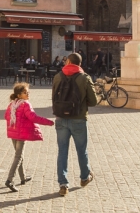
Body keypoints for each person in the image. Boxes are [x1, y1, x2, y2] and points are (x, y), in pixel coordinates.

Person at [52, 53, 97, 196]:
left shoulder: (58, 76)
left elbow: (54, 96)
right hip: (78, 118)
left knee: (62, 151)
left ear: (69, 61)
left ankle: (63, 184)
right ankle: (84, 177)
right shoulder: (85, 78)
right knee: (81, 150)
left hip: (60, 118)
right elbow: (94, 101)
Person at [4, 82, 53, 192]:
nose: (28, 94)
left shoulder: (12, 104)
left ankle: (23, 178)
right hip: (21, 133)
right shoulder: (25, 104)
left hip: (13, 132)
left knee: (19, 155)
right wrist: (49, 122)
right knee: (18, 156)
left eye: (28, 92)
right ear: (19, 95)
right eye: (25, 92)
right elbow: (33, 117)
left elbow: (5, 116)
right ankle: (10, 180)